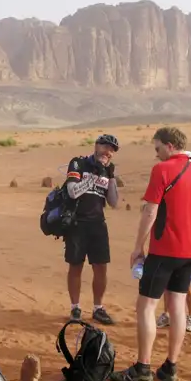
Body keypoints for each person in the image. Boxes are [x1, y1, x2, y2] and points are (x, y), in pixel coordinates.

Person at [109, 126, 191, 381]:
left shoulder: (162, 170)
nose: (157, 154)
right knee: (177, 307)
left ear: (170, 145)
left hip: (165, 249)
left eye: (158, 148)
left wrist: (138, 247)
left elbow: (150, 212)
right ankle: (170, 366)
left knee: (146, 306)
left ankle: (142, 368)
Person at [63, 134, 120, 325]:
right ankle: (75, 307)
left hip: (98, 224)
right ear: (96, 146)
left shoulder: (108, 169)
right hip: (78, 224)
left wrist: (110, 177)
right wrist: (94, 176)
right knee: (76, 266)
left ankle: (98, 308)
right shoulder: (78, 163)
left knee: (101, 268)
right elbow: (73, 192)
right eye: (106, 147)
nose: (108, 152)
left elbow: (113, 202)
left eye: (112, 150)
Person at [155, 150, 191, 334]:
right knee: (168, 281)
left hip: (186, 243)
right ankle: (167, 314)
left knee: (187, 282)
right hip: (171, 240)